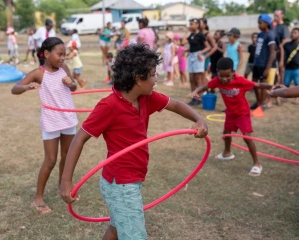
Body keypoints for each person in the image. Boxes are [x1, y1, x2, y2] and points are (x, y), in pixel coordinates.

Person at [60, 43, 208, 240]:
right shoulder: (109, 106)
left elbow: (176, 104)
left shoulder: (147, 98)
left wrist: (198, 119)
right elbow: (80, 138)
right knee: (134, 235)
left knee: (117, 228)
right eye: (153, 74)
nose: (156, 79)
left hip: (132, 178)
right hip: (121, 183)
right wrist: (66, 181)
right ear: (138, 79)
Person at [11, 37, 78, 214]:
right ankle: (38, 199)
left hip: (67, 118)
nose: (63, 58)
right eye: (59, 54)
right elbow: (15, 88)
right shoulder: (38, 73)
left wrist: (72, 83)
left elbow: (74, 87)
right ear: (47, 54)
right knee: (50, 160)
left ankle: (63, 186)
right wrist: (27, 87)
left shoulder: (64, 68)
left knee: (67, 156)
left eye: (64, 54)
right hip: (51, 120)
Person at [189, 58, 273, 177]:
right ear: (218, 73)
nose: (224, 79)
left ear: (233, 72)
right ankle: (227, 153)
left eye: (227, 76)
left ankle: (257, 164)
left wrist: (272, 86)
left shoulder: (240, 80)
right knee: (226, 133)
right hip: (230, 112)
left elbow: (258, 85)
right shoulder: (217, 80)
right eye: (221, 76)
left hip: (242, 112)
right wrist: (196, 90)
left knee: (247, 138)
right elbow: (205, 86)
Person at [252, 14, 277, 110]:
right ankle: (258, 102)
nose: (258, 25)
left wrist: (267, 68)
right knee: (254, 83)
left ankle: (261, 104)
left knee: (262, 85)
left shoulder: (270, 35)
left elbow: (272, 53)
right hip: (257, 63)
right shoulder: (259, 34)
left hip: (264, 64)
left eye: (260, 23)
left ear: (266, 24)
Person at [186, 18, 210, 106]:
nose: (190, 25)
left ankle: (199, 97)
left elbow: (208, 47)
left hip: (198, 57)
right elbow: (187, 43)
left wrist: (201, 53)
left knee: (198, 78)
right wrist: (186, 51)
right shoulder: (191, 35)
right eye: (190, 24)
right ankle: (193, 97)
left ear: (197, 25)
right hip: (191, 57)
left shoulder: (200, 35)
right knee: (191, 79)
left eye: (192, 24)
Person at [282, 28, 299, 104]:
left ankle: (297, 98)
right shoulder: (286, 45)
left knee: (297, 84)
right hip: (288, 68)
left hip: (297, 68)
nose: (293, 34)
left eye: (295, 33)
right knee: (286, 83)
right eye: (292, 32)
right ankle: (285, 97)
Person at [274, 8, 290, 83]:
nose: (275, 17)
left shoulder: (284, 27)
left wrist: (278, 48)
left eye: (277, 15)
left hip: (281, 52)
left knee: (281, 69)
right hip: (274, 52)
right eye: (275, 15)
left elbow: (285, 40)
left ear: (282, 16)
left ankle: (281, 85)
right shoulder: (275, 26)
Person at [200, 18, 218, 82]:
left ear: (205, 25)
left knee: (203, 74)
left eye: (200, 23)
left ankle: (204, 89)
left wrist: (207, 56)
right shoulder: (198, 33)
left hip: (204, 56)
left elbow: (215, 47)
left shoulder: (207, 35)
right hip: (198, 55)